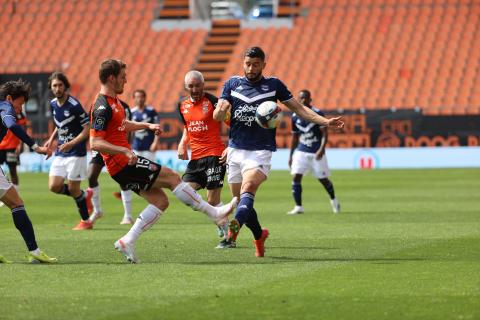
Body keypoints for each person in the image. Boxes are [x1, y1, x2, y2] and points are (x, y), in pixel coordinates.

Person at [89, 59, 237, 263]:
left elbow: (122, 125)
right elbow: (95, 142)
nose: (126, 80)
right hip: (122, 163)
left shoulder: (115, 104)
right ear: (112, 78)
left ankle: (127, 241)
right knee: (173, 177)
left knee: (160, 201)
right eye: (123, 77)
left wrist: (146, 126)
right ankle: (215, 213)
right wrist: (123, 150)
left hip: (122, 165)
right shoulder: (102, 107)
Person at [213, 46, 344, 257]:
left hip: (260, 152)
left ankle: (231, 234)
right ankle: (259, 235)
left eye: (256, 64)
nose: (251, 68)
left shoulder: (273, 85)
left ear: (264, 65)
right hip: (236, 151)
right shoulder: (232, 84)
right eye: (248, 64)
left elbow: (300, 110)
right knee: (241, 203)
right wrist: (219, 112)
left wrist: (325, 121)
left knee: (248, 188)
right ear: (242, 63)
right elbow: (219, 114)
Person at [0, 79, 56, 263]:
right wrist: (34, 146)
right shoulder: (5, 108)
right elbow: (12, 125)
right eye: (20, 104)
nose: (19, 110)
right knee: (17, 204)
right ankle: (34, 251)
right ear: (9, 98)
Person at [177, 70, 229, 247]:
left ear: (203, 85)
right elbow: (188, 127)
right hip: (196, 158)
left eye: (197, 85)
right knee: (185, 194)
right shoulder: (182, 106)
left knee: (213, 200)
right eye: (190, 86)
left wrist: (232, 147)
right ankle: (223, 218)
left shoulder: (214, 102)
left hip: (215, 155)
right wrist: (182, 144)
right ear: (186, 87)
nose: (194, 89)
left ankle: (227, 233)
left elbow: (232, 124)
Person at [44, 72, 93, 231]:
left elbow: (87, 129)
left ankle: (86, 221)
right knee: (54, 186)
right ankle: (84, 195)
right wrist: (51, 140)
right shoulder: (52, 103)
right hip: (61, 151)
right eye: (54, 86)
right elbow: (60, 125)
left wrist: (71, 143)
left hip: (76, 152)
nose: (57, 88)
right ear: (51, 88)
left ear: (65, 86)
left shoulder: (74, 105)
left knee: (73, 189)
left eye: (60, 85)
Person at [287, 89, 340, 215]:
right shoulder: (294, 116)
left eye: (305, 98)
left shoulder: (317, 113)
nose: (303, 100)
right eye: (301, 98)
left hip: (316, 151)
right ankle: (298, 206)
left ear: (310, 99)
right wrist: (291, 155)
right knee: (296, 176)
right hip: (301, 151)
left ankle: (334, 200)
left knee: (323, 179)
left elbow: (324, 133)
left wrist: (322, 149)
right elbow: (295, 137)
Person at [87, 99, 135, 225]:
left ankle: (128, 215)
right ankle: (97, 211)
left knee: (123, 179)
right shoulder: (96, 104)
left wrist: (126, 147)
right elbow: (92, 126)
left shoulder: (124, 106)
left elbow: (127, 128)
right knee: (91, 176)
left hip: (116, 146)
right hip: (101, 146)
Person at [0, 108, 26, 192]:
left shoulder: (17, 112)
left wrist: (20, 144)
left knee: (13, 171)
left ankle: (16, 194)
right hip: (0, 145)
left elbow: (22, 129)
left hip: (12, 146)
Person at [130, 89, 160, 161]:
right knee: (136, 169)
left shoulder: (151, 111)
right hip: (136, 147)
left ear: (145, 98)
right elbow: (130, 130)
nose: (139, 99)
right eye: (137, 97)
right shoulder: (132, 112)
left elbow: (157, 128)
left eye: (141, 97)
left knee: (151, 169)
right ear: (134, 98)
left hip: (149, 147)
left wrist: (155, 143)